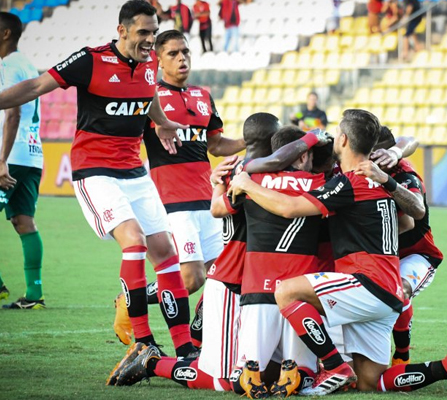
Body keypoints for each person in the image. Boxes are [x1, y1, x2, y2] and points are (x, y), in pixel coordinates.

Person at [227, 109, 447, 396]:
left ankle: (333, 365)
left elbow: (289, 208)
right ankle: (445, 366)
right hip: (389, 292)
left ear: (342, 139)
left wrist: (247, 185)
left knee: (286, 292)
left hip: (368, 281)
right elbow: (408, 216)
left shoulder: (349, 182)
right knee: (370, 381)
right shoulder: (379, 176)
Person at [0, 0, 200, 365]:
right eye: (143, 32)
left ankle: (186, 349)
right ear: (122, 30)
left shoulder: (151, 63)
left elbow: (149, 95)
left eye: (153, 32)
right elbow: (34, 87)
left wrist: (161, 121)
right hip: (94, 171)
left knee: (167, 253)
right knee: (134, 241)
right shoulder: (89, 60)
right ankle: (142, 341)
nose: (149, 39)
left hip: (134, 172)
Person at [107, 118, 331, 390]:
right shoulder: (251, 178)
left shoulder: (238, 173)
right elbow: (221, 209)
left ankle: (193, 349)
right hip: (231, 283)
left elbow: (217, 207)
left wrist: (216, 183)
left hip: (249, 280)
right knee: (226, 380)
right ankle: (153, 362)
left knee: (265, 370)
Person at [112, 29, 246, 348]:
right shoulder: (149, 98)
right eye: (173, 53)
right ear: (158, 60)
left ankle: (198, 342)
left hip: (208, 201)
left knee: (225, 276)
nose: (182, 58)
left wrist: (250, 142)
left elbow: (215, 144)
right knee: (192, 278)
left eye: (185, 52)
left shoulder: (202, 95)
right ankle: (130, 300)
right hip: (171, 202)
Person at [366, 127, 443, 366]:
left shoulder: (405, 175)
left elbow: (408, 221)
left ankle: (402, 354)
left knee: (400, 289)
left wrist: (395, 155)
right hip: (380, 253)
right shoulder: (356, 167)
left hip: (415, 254)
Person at [0, 12, 45, 309]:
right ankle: (33, 294)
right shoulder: (28, 64)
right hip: (32, 155)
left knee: (23, 221)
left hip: (11, 155)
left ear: (5, 34)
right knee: (23, 221)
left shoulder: (7, 65)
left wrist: (1, 161)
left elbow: (12, 112)